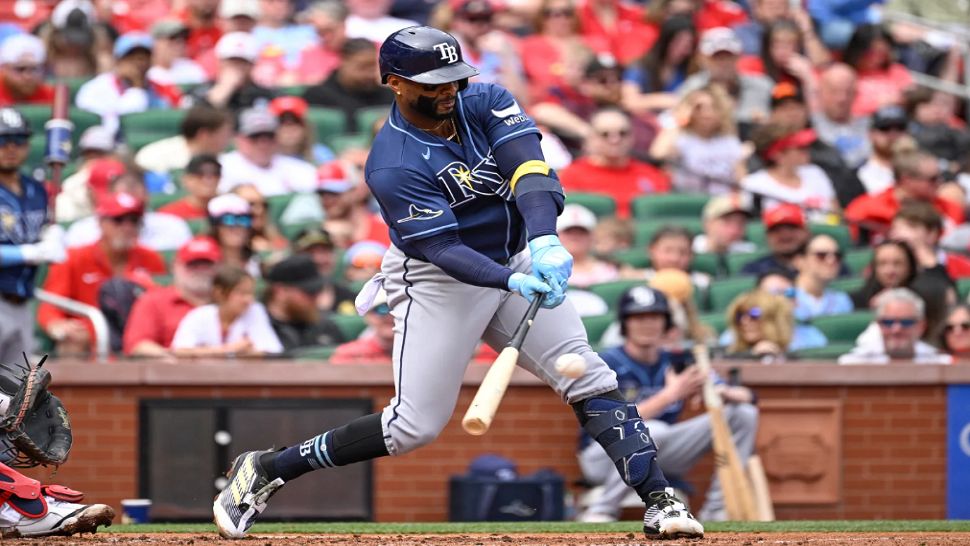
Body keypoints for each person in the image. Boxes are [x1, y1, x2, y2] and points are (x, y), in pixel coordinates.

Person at [213, 25, 704, 541]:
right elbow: (443, 250)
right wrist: (509, 282)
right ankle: (269, 469)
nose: (448, 90)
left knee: (590, 377)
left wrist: (542, 241)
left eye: (453, 78)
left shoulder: (486, 99)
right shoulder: (392, 162)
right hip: (437, 280)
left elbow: (531, 172)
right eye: (433, 83)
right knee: (412, 427)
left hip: (516, 258)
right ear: (395, 82)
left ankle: (660, 500)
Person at [577, 285, 757, 522]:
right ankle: (603, 510)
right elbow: (609, 422)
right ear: (625, 323)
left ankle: (716, 511)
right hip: (603, 455)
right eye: (638, 317)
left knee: (743, 413)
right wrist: (671, 394)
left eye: (654, 316)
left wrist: (723, 391)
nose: (647, 324)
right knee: (652, 429)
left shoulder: (678, 361)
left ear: (666, 323)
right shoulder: (606, 362)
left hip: (659, 452)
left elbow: (749, 397)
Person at [38, 192, 167, 356]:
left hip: (137, 333)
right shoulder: (74, 258)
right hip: (92, 335)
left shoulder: (151, 258)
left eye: (134, 221)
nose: (127, 228)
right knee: (72, 340)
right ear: (101, 222)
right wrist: (57, 325)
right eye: (118, 220)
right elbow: (51, 304)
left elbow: (163, 303)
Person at [0, 109, 65, 364]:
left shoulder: (36, 189)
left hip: (23, 302)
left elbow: (39, 235)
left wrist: (54, 238)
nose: (11, 148)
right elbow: (30, 250)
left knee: (18, 393)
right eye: (3, 141)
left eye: (19, 140)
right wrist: (29, 253)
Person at [558, 108, 670, 218]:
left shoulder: (651, 174)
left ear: (632, 137)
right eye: (605, 134)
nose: (615, 140)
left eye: (623, 133)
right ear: (591, 138)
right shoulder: (571, 175)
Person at [123, 236, 221, 357]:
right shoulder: (154, 301)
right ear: (176, 265)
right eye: (192, 264)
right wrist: (176, 357)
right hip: (170, 371)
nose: (200, 270)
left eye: (207, 264)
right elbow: (137, 345)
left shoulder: (232, 300)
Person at [75, 32, 181, 137]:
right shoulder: (96, 88)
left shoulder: (162, 88)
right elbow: (114, 126)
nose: (139, 62)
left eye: (144, 56)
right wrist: (136, 87)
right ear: (117, 60)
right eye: (131, 57)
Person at [845, 147, 964, 239]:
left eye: (940, 177)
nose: (939, 182)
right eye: (932, 179)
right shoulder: (866, 209)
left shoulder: (950, 210)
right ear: (906, 180)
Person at [649, 84, 746, 194]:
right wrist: (682, 117)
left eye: (713, 107)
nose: (706, 113)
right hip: (688, 200)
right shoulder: (681, 137)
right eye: (699, 107)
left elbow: (741, 180)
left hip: (722, 201)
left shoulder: (729, 141)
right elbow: (657, 153)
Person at [171, 265, 283, 357]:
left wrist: (204, 351)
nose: (248, 300)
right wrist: (230, 350)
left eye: (251, 293)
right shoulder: (199, 315)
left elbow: (271, 352)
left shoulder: (255, 310)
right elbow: (180, 352)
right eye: (242, 293)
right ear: (219, 293)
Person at [677, 27, 773, 128]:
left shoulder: (762, 86)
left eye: (729, 56)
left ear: (738, 57)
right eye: (716, 57)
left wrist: (767, 123)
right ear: (702, 59)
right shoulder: (692, 88)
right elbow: (678, 120)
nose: (723, 63)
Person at [741, 125, 838, 221]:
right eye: (800, 148)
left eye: (806, 147)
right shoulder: (753, 184)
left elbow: (837, 214)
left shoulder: (815, 173)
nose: (807, 151)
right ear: (777, 154)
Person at [218, 107, 317, 196]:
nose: (263, 144)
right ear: (238, 139)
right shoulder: (221, 167)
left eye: (269, 137)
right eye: (255, 137)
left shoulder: (300, 169)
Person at [303, 38, 395, 133]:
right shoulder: (317, 96)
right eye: (362, 67)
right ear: (343, 62)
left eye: (373, 66)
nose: (370, 74)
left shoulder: (389, 96)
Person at [838, 288, 951, 365]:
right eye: (888, 322)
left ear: (921, 326)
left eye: (906, 322)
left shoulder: (940, 363)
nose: (896, 329)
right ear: (879, 325)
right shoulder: (855, 363)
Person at [264, 254, 345, 352]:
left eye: (318, 291)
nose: (316, 297)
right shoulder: (258, 327)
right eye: (309, 292)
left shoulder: (325, 326)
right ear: (280, 291)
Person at [622, 16, 697, 114]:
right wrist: (665, 100)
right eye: (678, 42)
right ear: (666, 41)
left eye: (688, 45)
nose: (683, 50)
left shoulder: (689, 71)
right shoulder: (639, 67)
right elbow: (629, 101)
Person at [135, 105, 233, 176]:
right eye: (223, 135)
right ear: (204, 135)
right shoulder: (155, 155)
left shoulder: (229, 161)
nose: (228, 140)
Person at [810, 63, 870, 169]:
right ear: (820, 93)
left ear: (856, 94)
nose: (842, 98)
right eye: (834, 91)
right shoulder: (810, 126)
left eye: (848, 92)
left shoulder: (870, 125)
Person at [292, 227, 357, 314]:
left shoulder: (351, 298)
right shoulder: (288, 299)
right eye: (310, 253)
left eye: (324, 252)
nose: (319, 259)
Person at [792, 234, 854, 321]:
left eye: (837, 255)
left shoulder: (842, 300)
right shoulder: (782, 298)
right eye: (821, 255)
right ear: (800, 261)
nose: (831, 261)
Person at [556, 204, 618, 288]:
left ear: (592, 236)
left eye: (582, 232)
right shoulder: (545, 270)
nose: (575, 236)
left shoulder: (609, 270)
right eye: (568, 232)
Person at [740, 203, 810, 277]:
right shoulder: (754, 269)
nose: (785, 235)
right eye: (777, 230)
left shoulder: (820, 262)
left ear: (806, 232)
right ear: (767, 236)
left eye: (791, 228)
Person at [722, 289, 792, 361]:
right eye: (739, 315)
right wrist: (751, 355)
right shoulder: (724, 356)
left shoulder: (796, 360)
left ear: (774, 319)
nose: (744, 321)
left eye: (754, 314)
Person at [329, 288, 396, 364]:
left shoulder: (411, 354)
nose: (390, 316)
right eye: (382, 309)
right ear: (368, 316)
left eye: (398, 310)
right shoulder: (350, 354)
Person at [692, 194, 756, 272]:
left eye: (741, 223)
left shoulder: (749, 254)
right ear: (707, 223)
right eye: (727, 221)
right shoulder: (691, 249)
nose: (734, 230)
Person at [856, 105, 909, 196]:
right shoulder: (860, 173)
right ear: (871, 134)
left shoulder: (921, 170)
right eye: (885, 128)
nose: (893, 134)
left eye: (900, 128)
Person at [269, 96, 335, 165]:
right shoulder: (263, 157)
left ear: (305, 128)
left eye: (296, 122)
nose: (289, 129)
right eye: (282, 122)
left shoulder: (319, 154)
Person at [207, 193, 261, 278]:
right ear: (215, 226)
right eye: (228, 220)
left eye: (244, 220)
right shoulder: (203, 262)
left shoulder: (258, 262)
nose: (236, 228)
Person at [158, 154, 222, 221]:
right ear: (186, 179)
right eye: (200, 174)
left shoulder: (230, 208)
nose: (208, 179)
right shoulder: (168, 215)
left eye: (215, 173)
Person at [147, 19, 208, 86]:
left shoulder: (191, 68)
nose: (178, 44)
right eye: (172, 39)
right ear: (156, 43)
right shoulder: (146, 72)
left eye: (182, 39)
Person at [0, 34, 55, 106]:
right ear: (4, 69)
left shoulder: (50, 95)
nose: (27, 76)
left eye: (34, 69)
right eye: (20, 69)